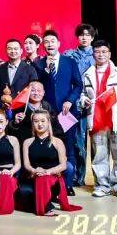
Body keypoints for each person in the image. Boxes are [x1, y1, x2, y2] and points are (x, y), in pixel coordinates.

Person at [81, 40, 117, 198]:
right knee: (99, 155)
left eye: (104, 51)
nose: (101, 55)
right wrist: (83, 100)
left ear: (109, 54)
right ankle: (102, 185)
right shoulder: (87, 74)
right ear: (93, 54)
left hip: (116, 120)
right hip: (97, 121)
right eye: (97, 52)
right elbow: (82, 94)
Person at [34, 30, 84, 191]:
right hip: (46, 113)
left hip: (66, 112)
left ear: (58, 44)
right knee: (49, 146)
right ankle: (51, 181)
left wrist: (70, 100)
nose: (49, 44)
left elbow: (78, 85)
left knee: (69, 146)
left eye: (52, 41)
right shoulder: (39, 64)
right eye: (46, 42)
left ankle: (68, 183)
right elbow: (37, 86)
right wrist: (46, 72)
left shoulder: (70, 62)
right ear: (43, 45)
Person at [19, 110, 81, 216]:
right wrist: (34, 170)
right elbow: (26, 164)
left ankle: (46, 207)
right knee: (24, 192)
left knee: (43, 179)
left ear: (48, 122)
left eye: (43, 121)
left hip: (52, 178)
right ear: (32, 123)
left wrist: (47, 172)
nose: (39, 124)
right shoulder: (27, 142)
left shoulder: (57, 142)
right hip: (34, 176)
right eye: (36, 121)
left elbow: (63, 165)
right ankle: (42, 202)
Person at [64, 24, 97, 187]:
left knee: (92, 142)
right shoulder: (68, 55)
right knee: (72, 141)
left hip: (91, 105)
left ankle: (94, 178)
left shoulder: (98, 55)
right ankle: (74, 175)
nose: (84, 38)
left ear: (92, 37)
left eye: (88, 35)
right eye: (81, 35)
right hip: (70, 104)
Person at [0, 39, 39, 106]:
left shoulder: (30, 69)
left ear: (21, 51)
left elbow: (33, 89)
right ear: (6, 51)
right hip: (3, 107)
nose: (13, 51)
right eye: (10, 49)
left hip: (23, 107)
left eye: (16, 49)